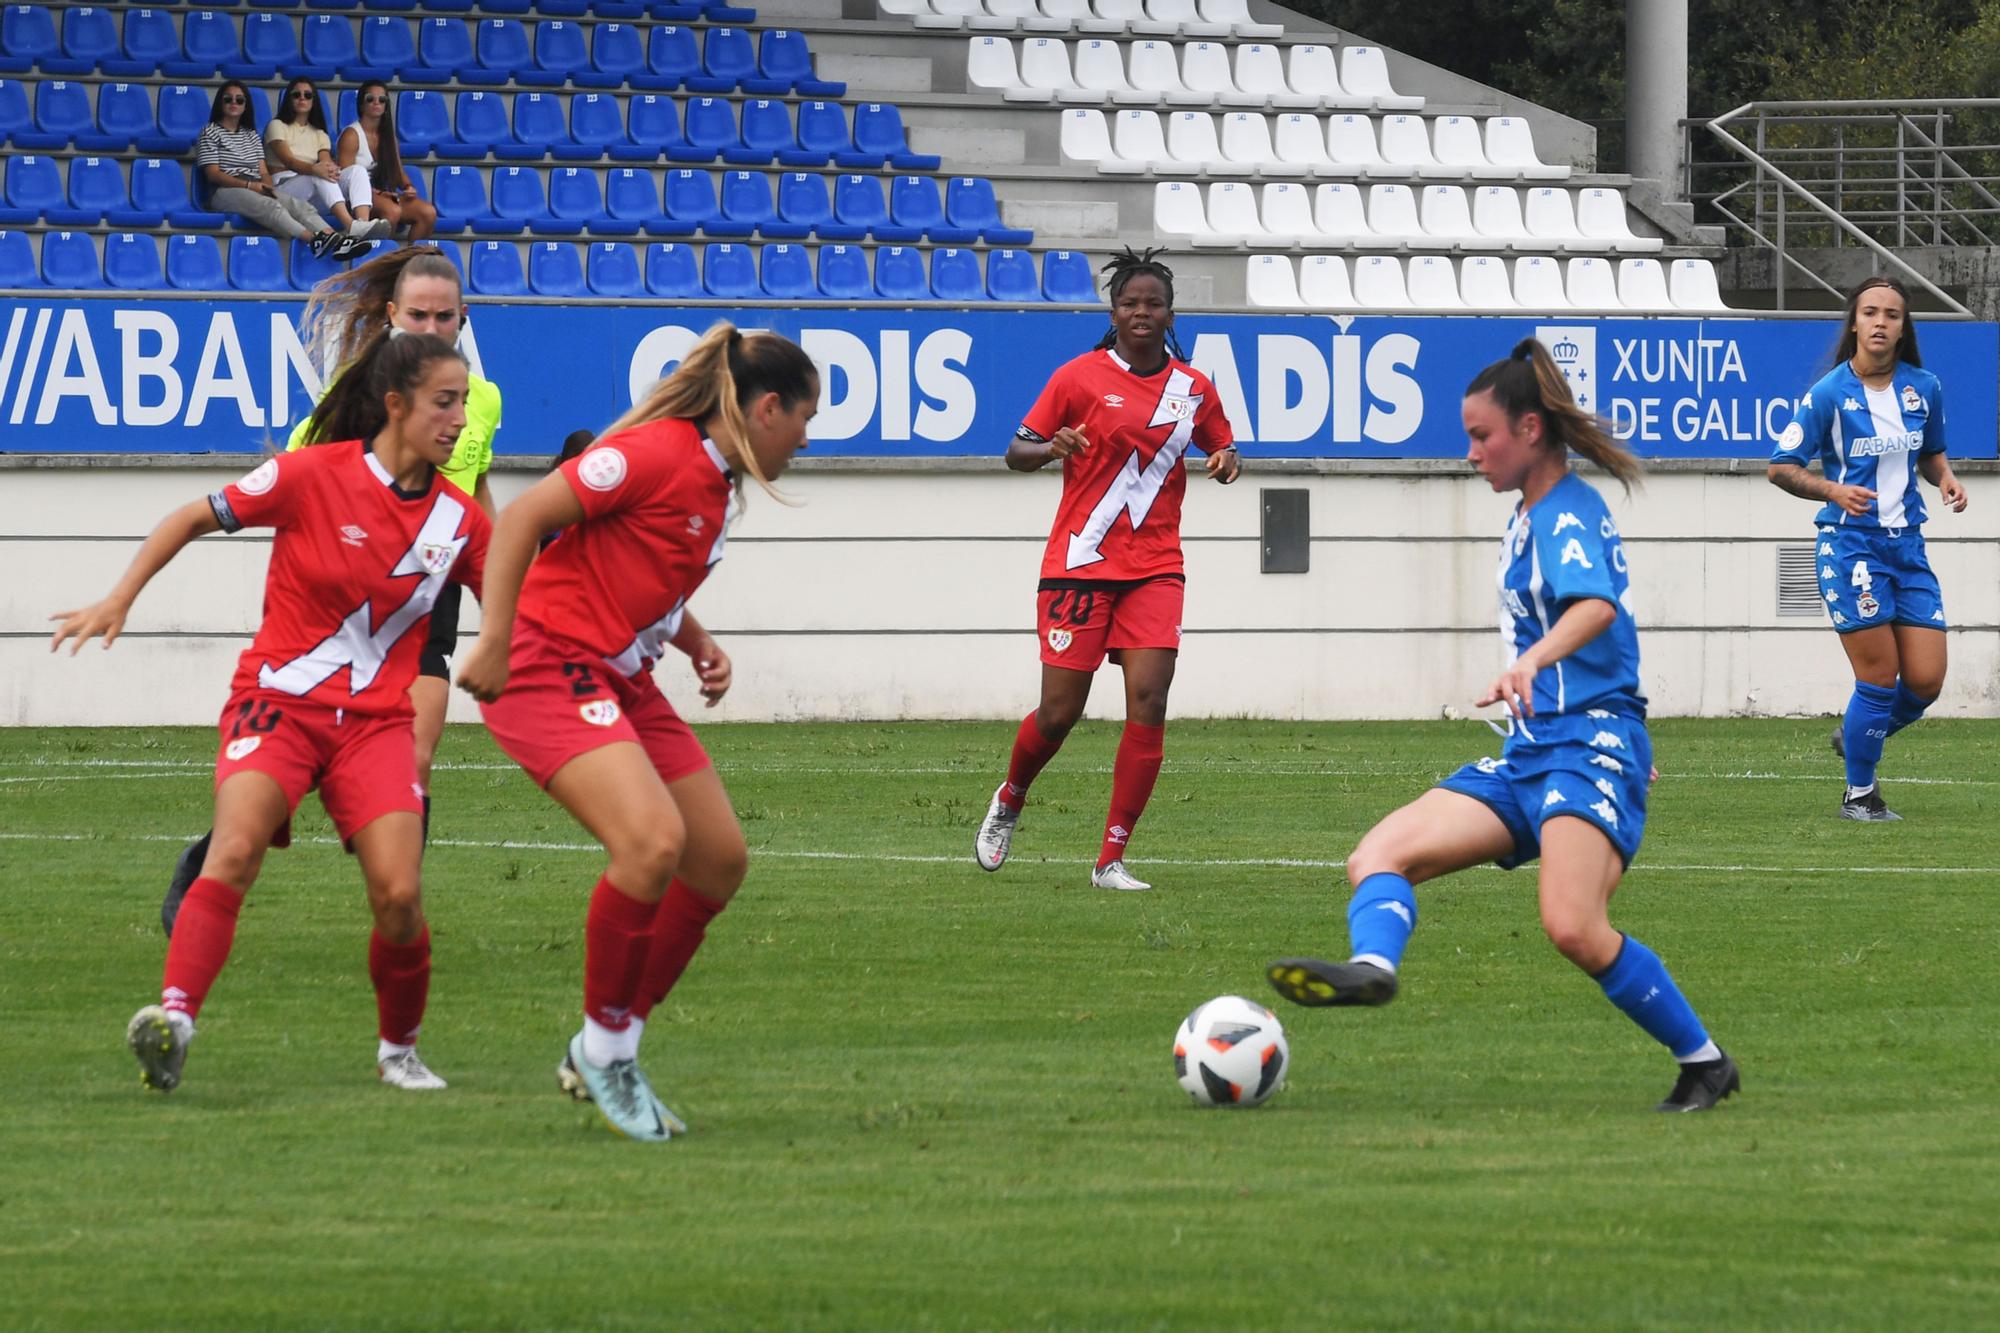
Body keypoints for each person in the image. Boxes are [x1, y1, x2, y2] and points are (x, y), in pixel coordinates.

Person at [1265, 338, 1739, 1114]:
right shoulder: (1527, 515)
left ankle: (1706, 1062)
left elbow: (1597, 605)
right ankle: (1373, 968)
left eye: (1481, 435)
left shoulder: (1566, 514)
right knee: (1379, 852)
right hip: (1529, 755)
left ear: (1528, 430)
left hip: (1592, 746)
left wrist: (1530, 663)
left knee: (1574, 927)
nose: (1471, 452)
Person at [50, 332, 490, 1095]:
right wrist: (118, 598)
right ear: (396, 406)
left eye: (462, 403)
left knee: (398, 894)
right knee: (235, 848)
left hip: (379, 725)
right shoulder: (310, 474)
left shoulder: (461, 522)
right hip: (277, 702)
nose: (459, 420)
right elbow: (191, 515)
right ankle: (174, 1021)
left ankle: (400, 1051)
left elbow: (531, 598)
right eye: (444, 403)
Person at [455, 323, 816, 1143]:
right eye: (804, 420)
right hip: (547, 664)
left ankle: (603, 1044)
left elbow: (643, 572)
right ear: (766, 409)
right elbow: (518, 523)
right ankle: (609, 1052)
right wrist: (494, 639)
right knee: (652, 843)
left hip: (621, 676)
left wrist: (699, 642)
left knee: (717, 859)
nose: (805, 438)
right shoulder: (655, 453)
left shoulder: (719, 482)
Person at [160, 247, 503, 935]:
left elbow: (477, 482)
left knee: (418, 752)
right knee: (285, 783)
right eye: (418, 315)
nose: (432, 328)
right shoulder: (357, 396)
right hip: (346, 595)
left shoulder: (481, 398)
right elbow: (298, 480)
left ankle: (397, 907)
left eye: (445, 317)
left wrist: (503, 590)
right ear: (390, 316)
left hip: (432, 580)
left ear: (464, 319)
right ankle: (215, 852)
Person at [972, 249, 1240, 892]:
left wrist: (1227, 460)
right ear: (1113, 311)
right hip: (1079, 564)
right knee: (1059, 714)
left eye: (1153, 303)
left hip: (1155, 567)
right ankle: (1010, 797)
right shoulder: (1078, 376)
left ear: (1170, 313)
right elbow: (1015, 452)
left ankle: (1110, 860)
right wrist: (1049, 446)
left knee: (1149, 701)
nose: (1141, 312)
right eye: (1130, 302)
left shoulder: (1193, 387)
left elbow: (1222, 445)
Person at [1767, 276, 1967, 821]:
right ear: (1854, 323)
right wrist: (1832, 489)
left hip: (1909, 548)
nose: (1880, 322)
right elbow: (1779, 467)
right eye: (1871, 312)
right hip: (1851, 548)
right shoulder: (1828, 393)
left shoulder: (1923, 387)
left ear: (1904, 328)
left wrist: (1945, 479)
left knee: (1924, 681)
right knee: (1878, 678)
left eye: (1892, 315)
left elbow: (1931, 454)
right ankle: (1860, 794)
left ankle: (1855, 732)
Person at [195, 81, 365, 261]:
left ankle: (337, 241)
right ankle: (315, 240)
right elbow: (213, 174)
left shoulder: (250, 134)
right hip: (224, 190)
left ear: (246, 105)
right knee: (271, 206)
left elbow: (264, 171)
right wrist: (250, 185)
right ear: (220, 104)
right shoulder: (210, 132)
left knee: (299, 206)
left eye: (239, 100)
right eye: (228, 99)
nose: (234, 103)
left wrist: (268, 188)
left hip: (255, 185)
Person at [265, 77, 383, 240]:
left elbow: (325, 162)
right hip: (284, 190)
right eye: (296, 95)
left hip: (314, 194)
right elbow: (289, 161)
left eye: (308, 95)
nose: (302, 98)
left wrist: (329, 169)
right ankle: (351, 225)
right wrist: (315, 169)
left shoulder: (319, 133)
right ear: (289, 99)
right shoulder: (276, 125)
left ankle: (362, 223)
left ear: (314, 100)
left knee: (357, 170)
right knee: (319, 174)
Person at [338, 81, 437, 242]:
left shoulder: (389, 136)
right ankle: (383, 260)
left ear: (386, 106)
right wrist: (381, 194)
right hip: (356, 200)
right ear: (361, 105)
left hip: (382, 195)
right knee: (392, 210)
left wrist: (408, 187)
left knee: (428, 212)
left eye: (382, 100)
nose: (376, 102)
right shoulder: (351, 135)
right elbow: (345, 178)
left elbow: (397, 171)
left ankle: (409, 259)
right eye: (370, 99)